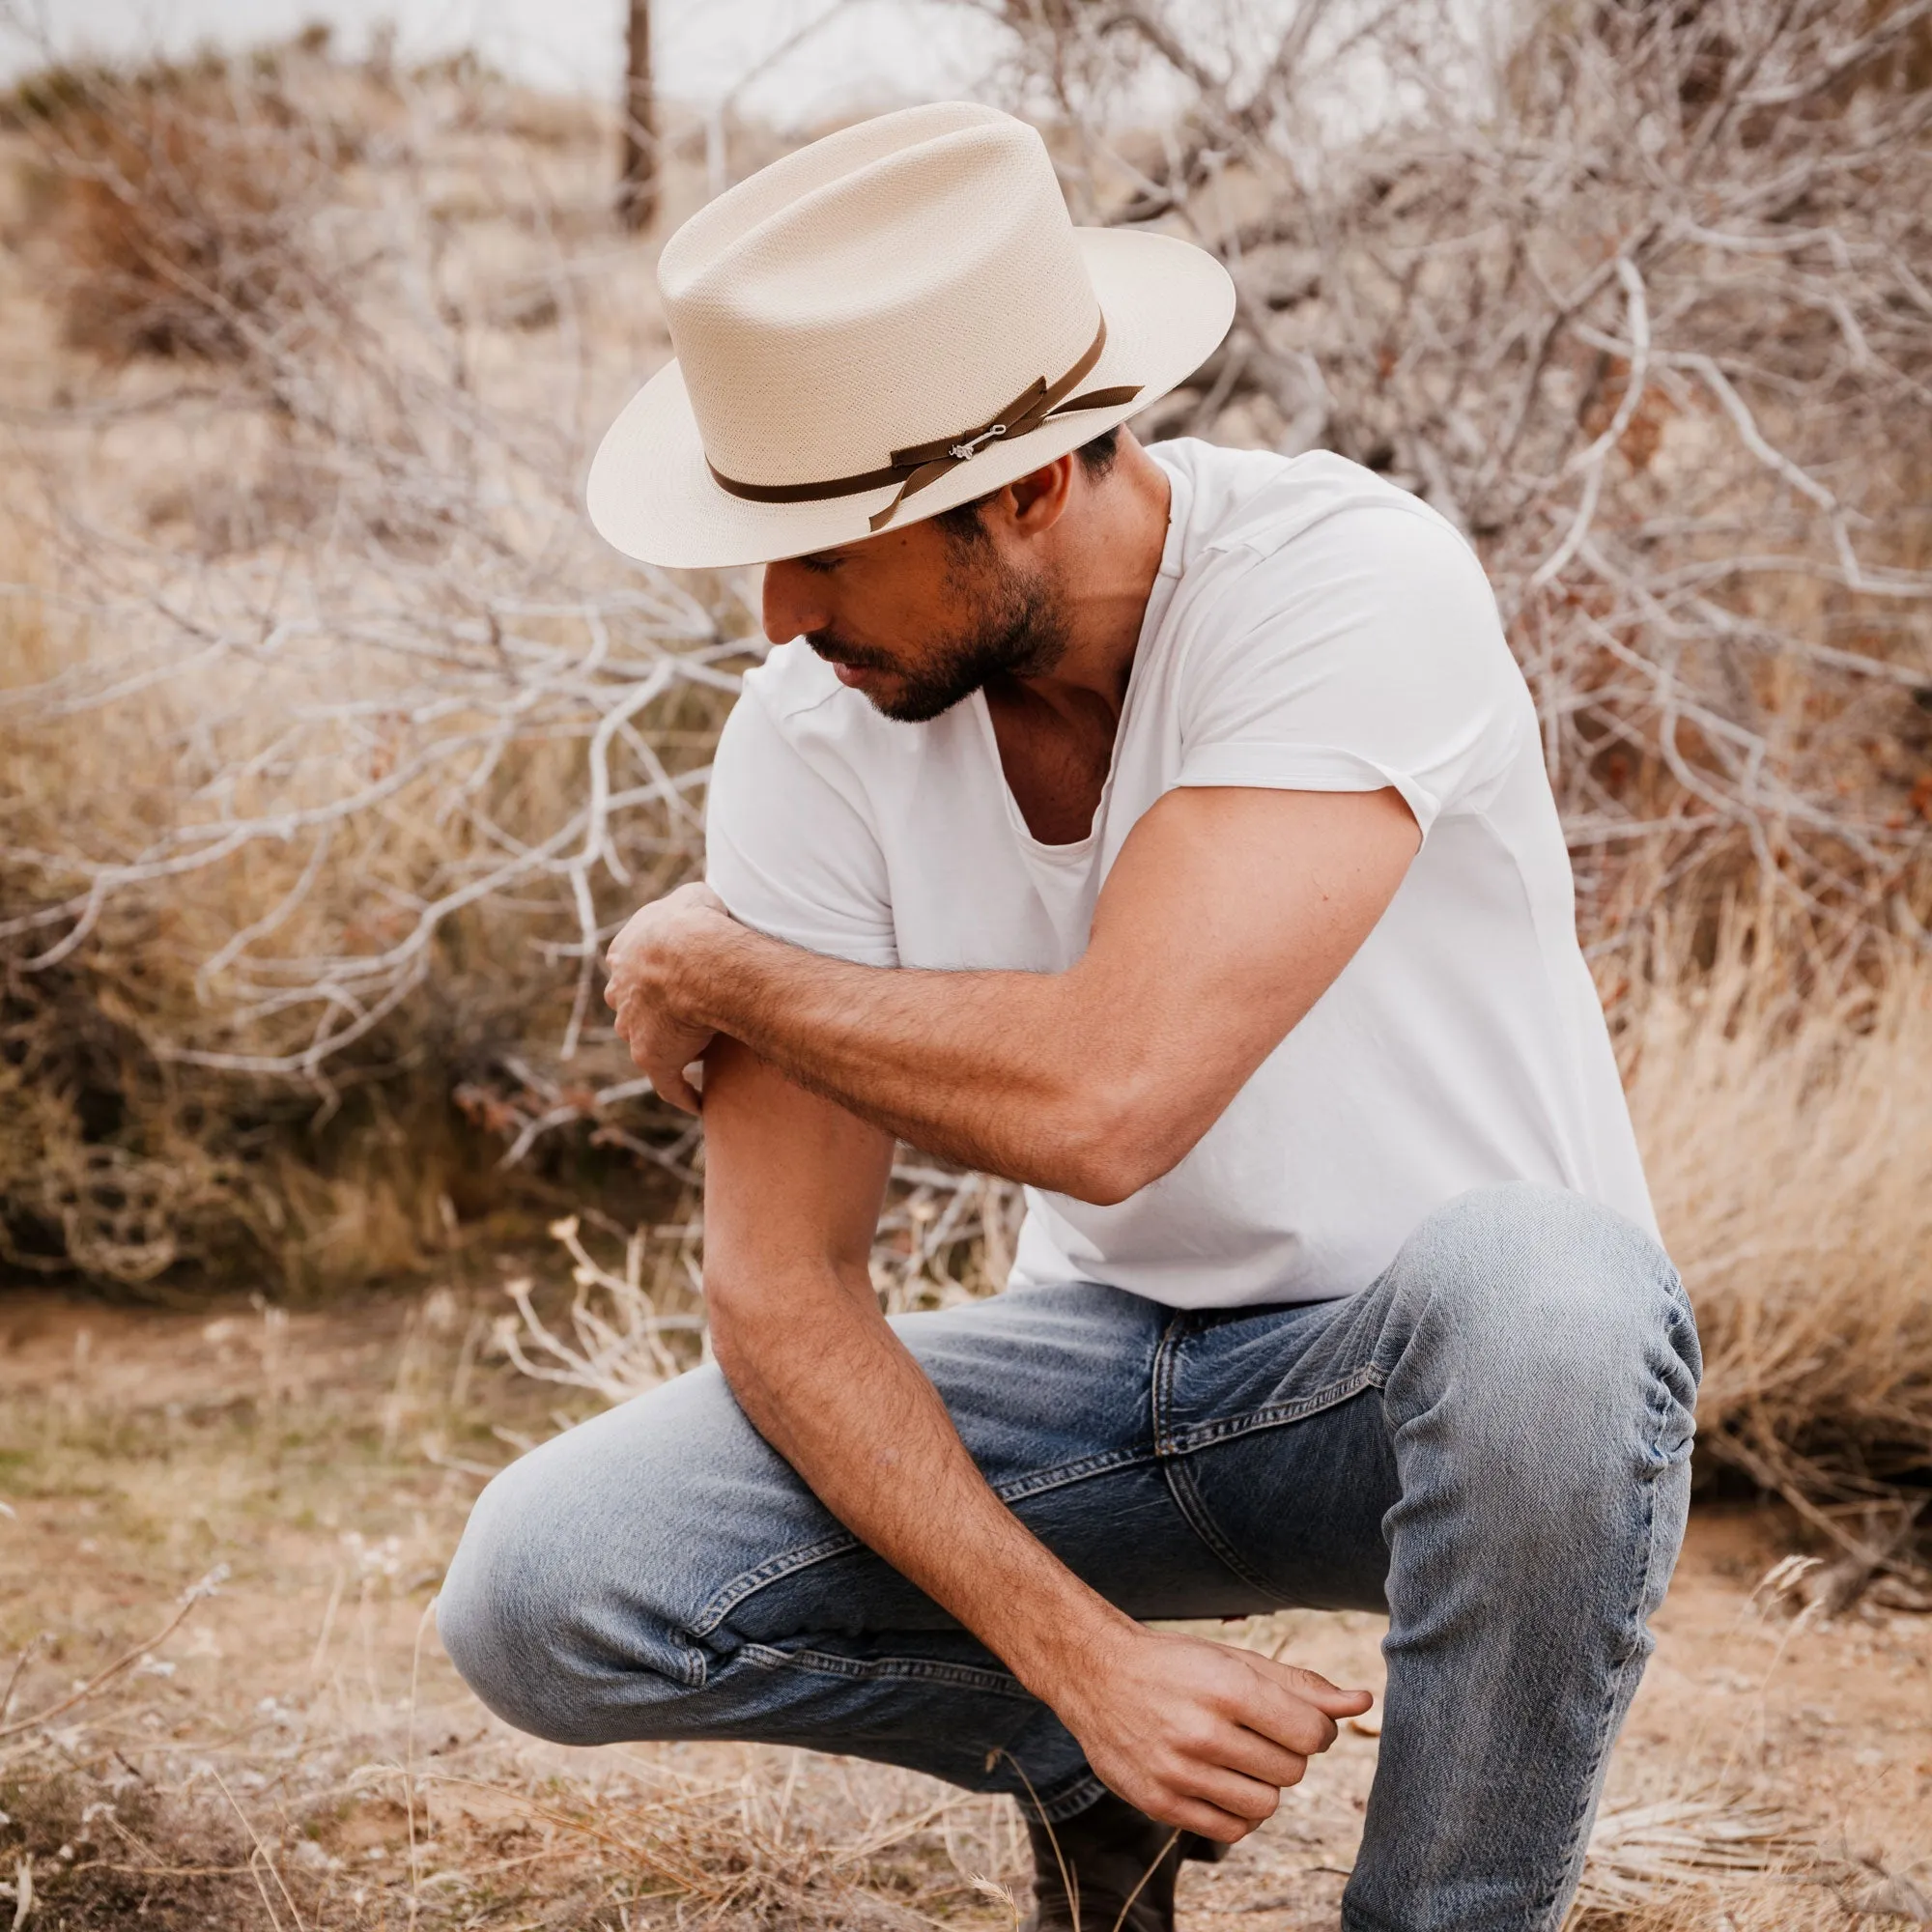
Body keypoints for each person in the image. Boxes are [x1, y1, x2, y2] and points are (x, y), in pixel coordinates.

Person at [438, 102, 1700, 1932]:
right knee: (544, 1587)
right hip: (1109, 1374)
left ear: (1028, 485)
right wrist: (1081, 1664)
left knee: (1552, 1292)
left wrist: (722, 970)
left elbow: (1116, 1097)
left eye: (828, 548)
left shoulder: (1347, 584)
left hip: (1459, 1395)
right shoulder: (814, 724)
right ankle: (1067, 1765)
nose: (779, 618)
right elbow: (781, 1285)